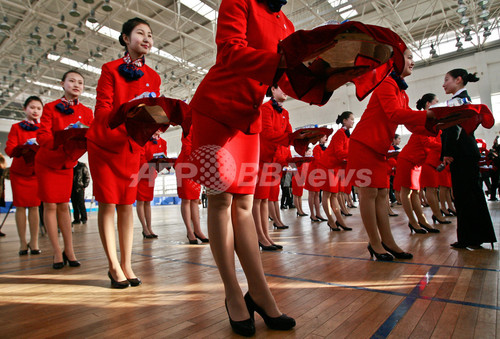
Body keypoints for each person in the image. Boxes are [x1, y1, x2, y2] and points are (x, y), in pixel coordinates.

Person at [187, 0, 299, 335]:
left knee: (246, 206)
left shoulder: (287, 25)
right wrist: (283, 61)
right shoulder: (238, 1)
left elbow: (286, 80)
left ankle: (260, 292)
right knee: (221, 201)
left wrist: (321, 72)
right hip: (217, 109)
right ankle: (233, 293)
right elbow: (230, 52)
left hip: (249, 117)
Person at [86, 17, 161, 288]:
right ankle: (113, 265)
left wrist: (154, 126)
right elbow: (102, 110)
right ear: (125, 39)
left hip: (131, 147)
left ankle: (127, 263)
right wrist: (129, 118)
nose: (146, 38)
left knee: (127, 205)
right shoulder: (110, 69)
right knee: (108, 203)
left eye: (150, 34)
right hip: (105, 144)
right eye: (140, 33)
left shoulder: (154, 77)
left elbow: (153, 112)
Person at [348, 47, 435, 261]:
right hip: (363, 144)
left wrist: (436, 125)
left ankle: (388, 241)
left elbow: (410, 123)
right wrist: (427, 115)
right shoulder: (387, 83)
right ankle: (375, 244)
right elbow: (394, 113)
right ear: (396, 60)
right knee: (368, 195)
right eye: (409, 57)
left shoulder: (401, 91)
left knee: (382, 195)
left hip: (378, 148)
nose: (412, 62)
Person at [35, 70, 94, 269]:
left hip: (67, 164)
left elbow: (90, 137)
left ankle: (69, 249)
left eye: (80, 82)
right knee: (50, 206)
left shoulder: (87, 112)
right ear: (62, 84)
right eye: (71, 81)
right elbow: (42, 137)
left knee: (64, 206)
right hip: (48, 162)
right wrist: (64, 137)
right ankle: (56, 252)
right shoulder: (51, 108)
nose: (76, 85)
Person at [440, 68, 497, 248]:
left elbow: (453, 128)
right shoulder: (464, 99)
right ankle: (478, 235)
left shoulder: (457, 101)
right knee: (473, 193)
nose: (444, 83)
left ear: (458, 80)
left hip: (461, 152)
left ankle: (468, 237)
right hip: (467, 151)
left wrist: (447, 152)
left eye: (447, 79)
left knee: (465, 195)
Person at [253, 85, 292, 251]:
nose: (285, 91)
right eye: (282, 88)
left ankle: (266, 236)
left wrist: (301, 140)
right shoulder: (265, 109)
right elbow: (267, 133)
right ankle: (260, 236)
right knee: (259, 199)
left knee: (266, 199)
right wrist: (291, 138)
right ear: (273, 89)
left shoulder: (285, 113)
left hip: (276, 161)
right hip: (263, 159)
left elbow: (289, 135)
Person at [5, 96, 43, 255]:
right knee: (20, 207)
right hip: (19, 172)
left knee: (35, 207)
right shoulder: (16, 127)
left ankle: (34, 242)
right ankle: (22, 243)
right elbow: (9, 149)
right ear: (25, 109)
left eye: (38, 108)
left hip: (36, 173)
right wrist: (23, 147)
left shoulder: (44, 127)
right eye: (32, 107)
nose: (35, 111)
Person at [416, 93, 451, 225]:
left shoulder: (433, 119)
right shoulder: (423, 119)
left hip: (434, 158)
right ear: (428, 104)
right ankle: (437, 215)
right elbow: (426, 142)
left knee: (434, 189)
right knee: (431, 189)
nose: (438, 103)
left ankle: (439, 214)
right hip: (427, 159)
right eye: (436, 101)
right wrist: (444, 146)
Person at [317, 111, 354, 231]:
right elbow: (339, 153)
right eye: (351, 119)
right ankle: (331, 220)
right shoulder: (340, 134)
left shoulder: (347, 134)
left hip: (335, 167)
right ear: (344, 121)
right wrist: (354, 153)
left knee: (334, 194)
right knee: (328, 194)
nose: (353, 121)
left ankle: (339, 220)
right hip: (328, 166)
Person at [175, 128, 208, 245]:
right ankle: (190, 231)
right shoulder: (189, 124)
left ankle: (198, 230)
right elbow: (186, 145)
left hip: (196, 163)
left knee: (194, 199)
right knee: (186, 199)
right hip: (186, 163)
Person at [136, 130, 166, 239]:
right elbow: (141, 155)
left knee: (148, 202)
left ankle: (149, 227)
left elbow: (163, 158)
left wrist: (161, 165)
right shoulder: (145, 139)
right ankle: (144, 228)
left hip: (151, 174)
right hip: (142, 172)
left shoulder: (163, 142)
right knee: (140, 201)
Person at [305, 134, 328, 222]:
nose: (325, 138)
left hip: (319, 173)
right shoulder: (317, 148)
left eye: (326, 137)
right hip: (313, 173)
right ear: (319, 138)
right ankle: (312, 214)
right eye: (323, 137)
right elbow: (319, 161)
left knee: (317, 194)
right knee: (312, 194)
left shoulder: (325, 148)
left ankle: (318, 213)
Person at [291, 147, 312, 217]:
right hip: (297, 179)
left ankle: (301, 210)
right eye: (309, 151)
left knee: (299, 196)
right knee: (296, 195)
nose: (310, 153)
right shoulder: (300, 159)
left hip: (301, 180)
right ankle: (298, 210)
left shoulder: (307, 160)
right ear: (305, 152)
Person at [389, 134, 401, 204]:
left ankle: (396, 199)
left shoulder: (393, 148)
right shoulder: (392, 148)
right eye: (398, 139)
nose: (399, 140)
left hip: (393, 169)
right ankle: (396, 199)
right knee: (394, 186)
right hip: (391, 169)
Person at [488, 136, 499, 200]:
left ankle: (492, 196)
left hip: (495, 169)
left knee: (494, 184)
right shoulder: (492, 151)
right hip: (494, 169)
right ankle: (492, 196)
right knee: (494, 183)